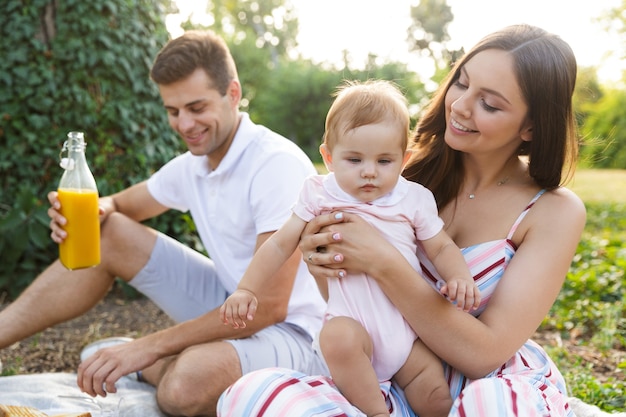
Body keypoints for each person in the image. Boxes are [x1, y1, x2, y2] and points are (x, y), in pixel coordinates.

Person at [216, 23, 586, 417]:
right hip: (386, 379)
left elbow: (482, 356)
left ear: (531, 126)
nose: (460, 106)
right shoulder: (392, 176)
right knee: (252, 395)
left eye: (490, 104)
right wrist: (323, 262)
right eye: (461, 84)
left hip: (489, 384)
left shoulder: (552, 211)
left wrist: (383, 261)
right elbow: (350, 300)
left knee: (490, 407)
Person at [0, 30, 327, 416]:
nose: (184, 124)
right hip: (232, 302)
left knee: (185, 388)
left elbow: (267, 307)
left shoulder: (275, 163)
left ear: (233, 94)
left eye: (196, 107)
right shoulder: (195, 165)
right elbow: (119, 206)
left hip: (298, 332)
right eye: (173, 111)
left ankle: (159, 363)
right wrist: (87, 215)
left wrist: (149, 346)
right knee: (112, 233)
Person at [220, 80, 480, 417]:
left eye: (384, 161)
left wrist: (460, 277)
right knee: (336, 338)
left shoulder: (413, 199)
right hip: (352, 327)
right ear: (328, 157)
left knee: (434, 397)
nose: (369, 172)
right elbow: (281, 243)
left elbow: (441, 247)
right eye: (354, 159)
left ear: (405, 159)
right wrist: (246, 289)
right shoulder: (318, 194)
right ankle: (376, 412)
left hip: (407, 330)